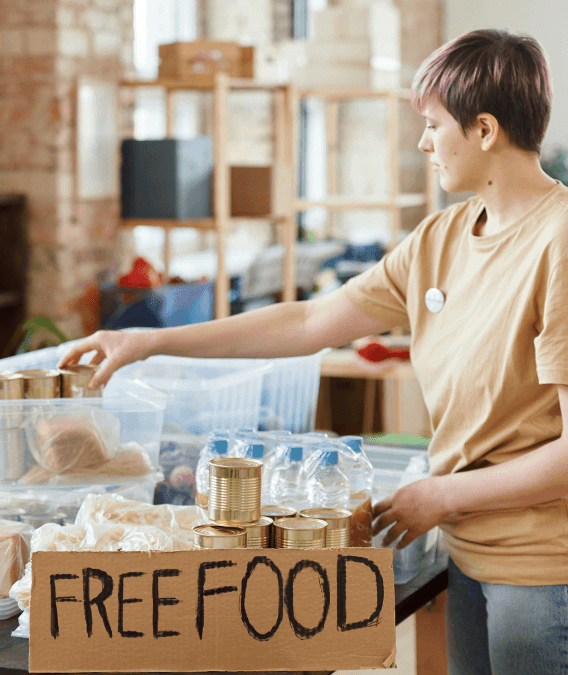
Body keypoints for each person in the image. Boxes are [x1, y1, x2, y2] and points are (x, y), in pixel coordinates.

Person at [60, 29, 568, 675]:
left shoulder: (559, 241)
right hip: (466, 556)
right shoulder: (443, 237)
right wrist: (150, 340)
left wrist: (440, 495)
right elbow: (307, 321)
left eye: (435, 125)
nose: (423, 141)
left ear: (486, 129)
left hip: (542, 574)